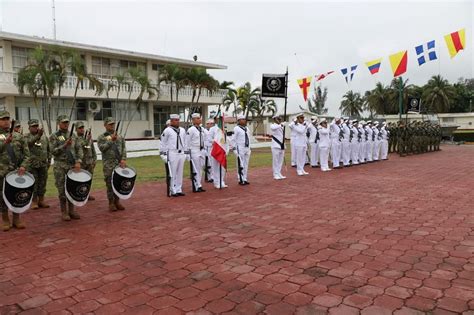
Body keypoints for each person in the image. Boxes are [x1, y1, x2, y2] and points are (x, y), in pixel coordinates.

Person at [0, 111, 30, 231]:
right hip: (1, 172)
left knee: (16, 195)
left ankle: (16, 218)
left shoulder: (19, 136)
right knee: (1, 196)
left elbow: (27, 155)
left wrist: (23, 166)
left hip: (16, 172)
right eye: (3, 119)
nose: (6, 121)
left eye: (7, 119)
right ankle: (5, 219)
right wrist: (4, 143)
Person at [50, 115, 83, 221]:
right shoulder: (54, 136)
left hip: (72, 166)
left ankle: (72, 210)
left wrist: (78, 161)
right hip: (60, 166)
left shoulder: (73, 135)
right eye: (63, 122)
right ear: (59, 123)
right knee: (62, 189)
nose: (66, 124)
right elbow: (53, 151)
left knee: (72, 188)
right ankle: (64, 211)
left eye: (67, 122)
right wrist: (64, 145)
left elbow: (79, 149)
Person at [97, 117, 127, 211]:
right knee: (109, 183)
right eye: (110, 124)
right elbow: (102, 148)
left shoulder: (120, 136)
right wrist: (111, 141)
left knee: (118, 183)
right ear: (105, 125)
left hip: (118, 163)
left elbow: (123, 149)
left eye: (113, 124)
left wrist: (123, 159)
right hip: (108, 164)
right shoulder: (102, 137)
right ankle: (111, 203)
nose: (112, 126)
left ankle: (117, 201)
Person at [25, 119, 50, 209]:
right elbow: (28, 144)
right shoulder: (26, 136)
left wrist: (49, 160)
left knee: (42, 183)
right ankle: (34, 201)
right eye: (33, 126)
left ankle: (41, 200)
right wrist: (38, 135)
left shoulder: (44, 137)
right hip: (32, 165)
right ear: (29, 128)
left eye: (36, 126)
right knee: (33, 183)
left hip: (43, 164)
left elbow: (48, 149)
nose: (35, 128)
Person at [160, 114, 187, 196]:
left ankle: (179, 189)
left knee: (180, 172)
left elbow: (185, 142)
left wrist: (185, 152)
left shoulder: (182, 130)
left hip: (181, 153)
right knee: (172, 172)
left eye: (178, 120)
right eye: (175, 120)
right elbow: (163, 143)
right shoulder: (167, 130)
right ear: (171, 121)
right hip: (172, 153)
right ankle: (172, 189)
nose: (177, 121)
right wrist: (163, 154)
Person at [76, 122, 97, 200]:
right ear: (76, 129)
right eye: (80, 128)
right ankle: (80, 194)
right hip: (82, 163)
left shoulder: (88, 138)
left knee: (89, 179)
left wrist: (94, 160)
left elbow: (93, 149)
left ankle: (87, 194)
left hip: (89, 162)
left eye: (82, 128)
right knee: (80, 180)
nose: (82, 129)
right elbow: (80, 147)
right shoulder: (76, 139)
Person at [185, 113, 206, 192]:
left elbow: (206, 138)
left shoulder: (202, 129)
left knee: (200, 168)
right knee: (195, 169)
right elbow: (187, 142)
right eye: (197, 118)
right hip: (194, 150)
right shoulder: (191, 130)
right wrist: (187, 154)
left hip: (201, 150)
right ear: (193, 120)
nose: (199, 119)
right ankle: (196, 185)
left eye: (199, 118)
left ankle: (199, 184)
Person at [208, 117, 227, 188]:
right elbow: (209, 139)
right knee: (215, 167)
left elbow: (225, 138)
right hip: (215, 149)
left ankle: (221, 181)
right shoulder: (212, 129)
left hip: (222, 149)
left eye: (221, 119)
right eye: (218, 119)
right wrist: (215, 142)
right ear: (215, 120)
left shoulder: (223, 128)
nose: (220, 121)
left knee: (222, 167)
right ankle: (216, 182)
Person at [232, 114, 251, 185]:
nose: (245, 121)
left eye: (245, 119)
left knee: (246, 164)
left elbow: (248, 138)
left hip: (247, 148)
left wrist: (249, 147)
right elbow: (233, 139)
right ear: (239, 120)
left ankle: (245, 178)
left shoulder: (247, 128)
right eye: (243, 119)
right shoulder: (236, 128)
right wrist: (234, 149)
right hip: (240, 148)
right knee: (240, 164)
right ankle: (240, 179)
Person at [270, 115, 286, 180]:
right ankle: (275, 174)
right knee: (275, 160)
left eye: (280, 119)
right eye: (278, 119)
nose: (279, 120)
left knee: (280, 160)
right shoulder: (273, 125)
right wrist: (281, 125)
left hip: (282, 145)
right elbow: (274, 128)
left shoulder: (281, 126)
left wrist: (281, 125)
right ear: (274, 119)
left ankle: (279, 173)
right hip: (275, 145)